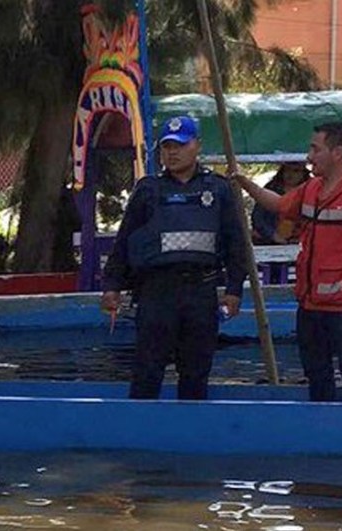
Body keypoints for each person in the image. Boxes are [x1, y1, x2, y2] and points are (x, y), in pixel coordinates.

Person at [101, 115, 248, 400]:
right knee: (147, 370)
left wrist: (233, 290)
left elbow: (235, 243)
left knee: (195, 371)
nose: (173, 152)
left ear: (197, 147)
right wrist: (112, 286)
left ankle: (190, 434)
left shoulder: (217, 189)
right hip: (157, 293)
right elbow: (124, 243)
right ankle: (142, 432)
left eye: (180, 145)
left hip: (200, 292)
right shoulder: (148, 190)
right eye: (167, 146)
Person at [232, 122, 342, 402]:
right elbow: (277, 204)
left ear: (337, 153)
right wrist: (244, 182)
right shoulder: (311, 189)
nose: (309, 156)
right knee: (316, 372)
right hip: (310, 303)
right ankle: (321, 426)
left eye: (315, 148)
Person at [250, 162, 309, 245]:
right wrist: (273, 235)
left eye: (296, 171)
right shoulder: (271, 188)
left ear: (303, 173)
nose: (290, 174)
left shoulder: (310, 190)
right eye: (287, 170)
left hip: (300, 241)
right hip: (269, 241)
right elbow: (258, 218)